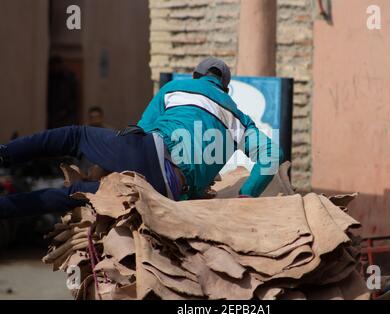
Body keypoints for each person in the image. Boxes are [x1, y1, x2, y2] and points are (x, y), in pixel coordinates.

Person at [0, 57, 283, 219]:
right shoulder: (240, 120)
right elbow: (272, 155)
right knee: (76, 195)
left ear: (197, 75)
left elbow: (140, 129)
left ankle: (6, 154)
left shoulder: (177, 87)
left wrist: (107, 163)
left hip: (149, 152)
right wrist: (248, 195)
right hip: (168, 190)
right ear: (225, 88)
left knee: (75, 136)